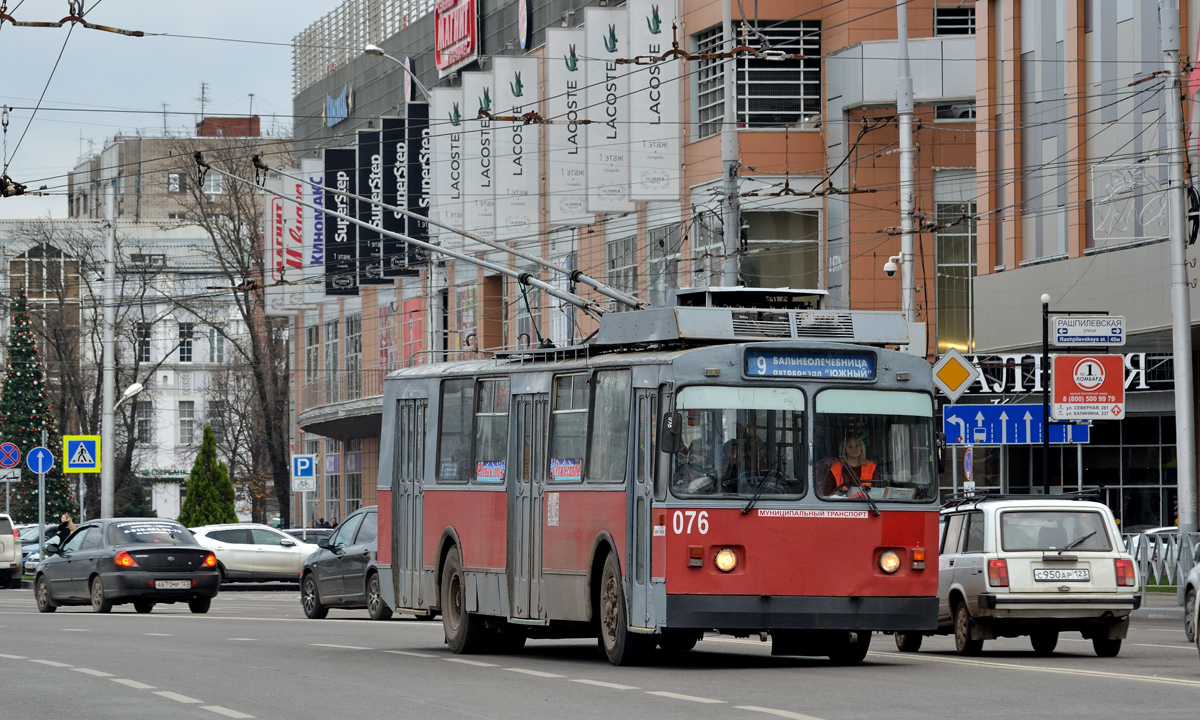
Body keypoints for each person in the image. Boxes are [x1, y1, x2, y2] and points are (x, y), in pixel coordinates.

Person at [822, 431, 876, 497]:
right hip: (844, 505)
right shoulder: (836, 468)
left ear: (861, 447)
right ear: (844, 449)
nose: (854, 449)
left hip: (867, 504)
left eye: (857, 445)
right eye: (850, 446)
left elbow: (879, 490)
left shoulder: (871, 467)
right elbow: (827, 493)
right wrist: (836, 493)